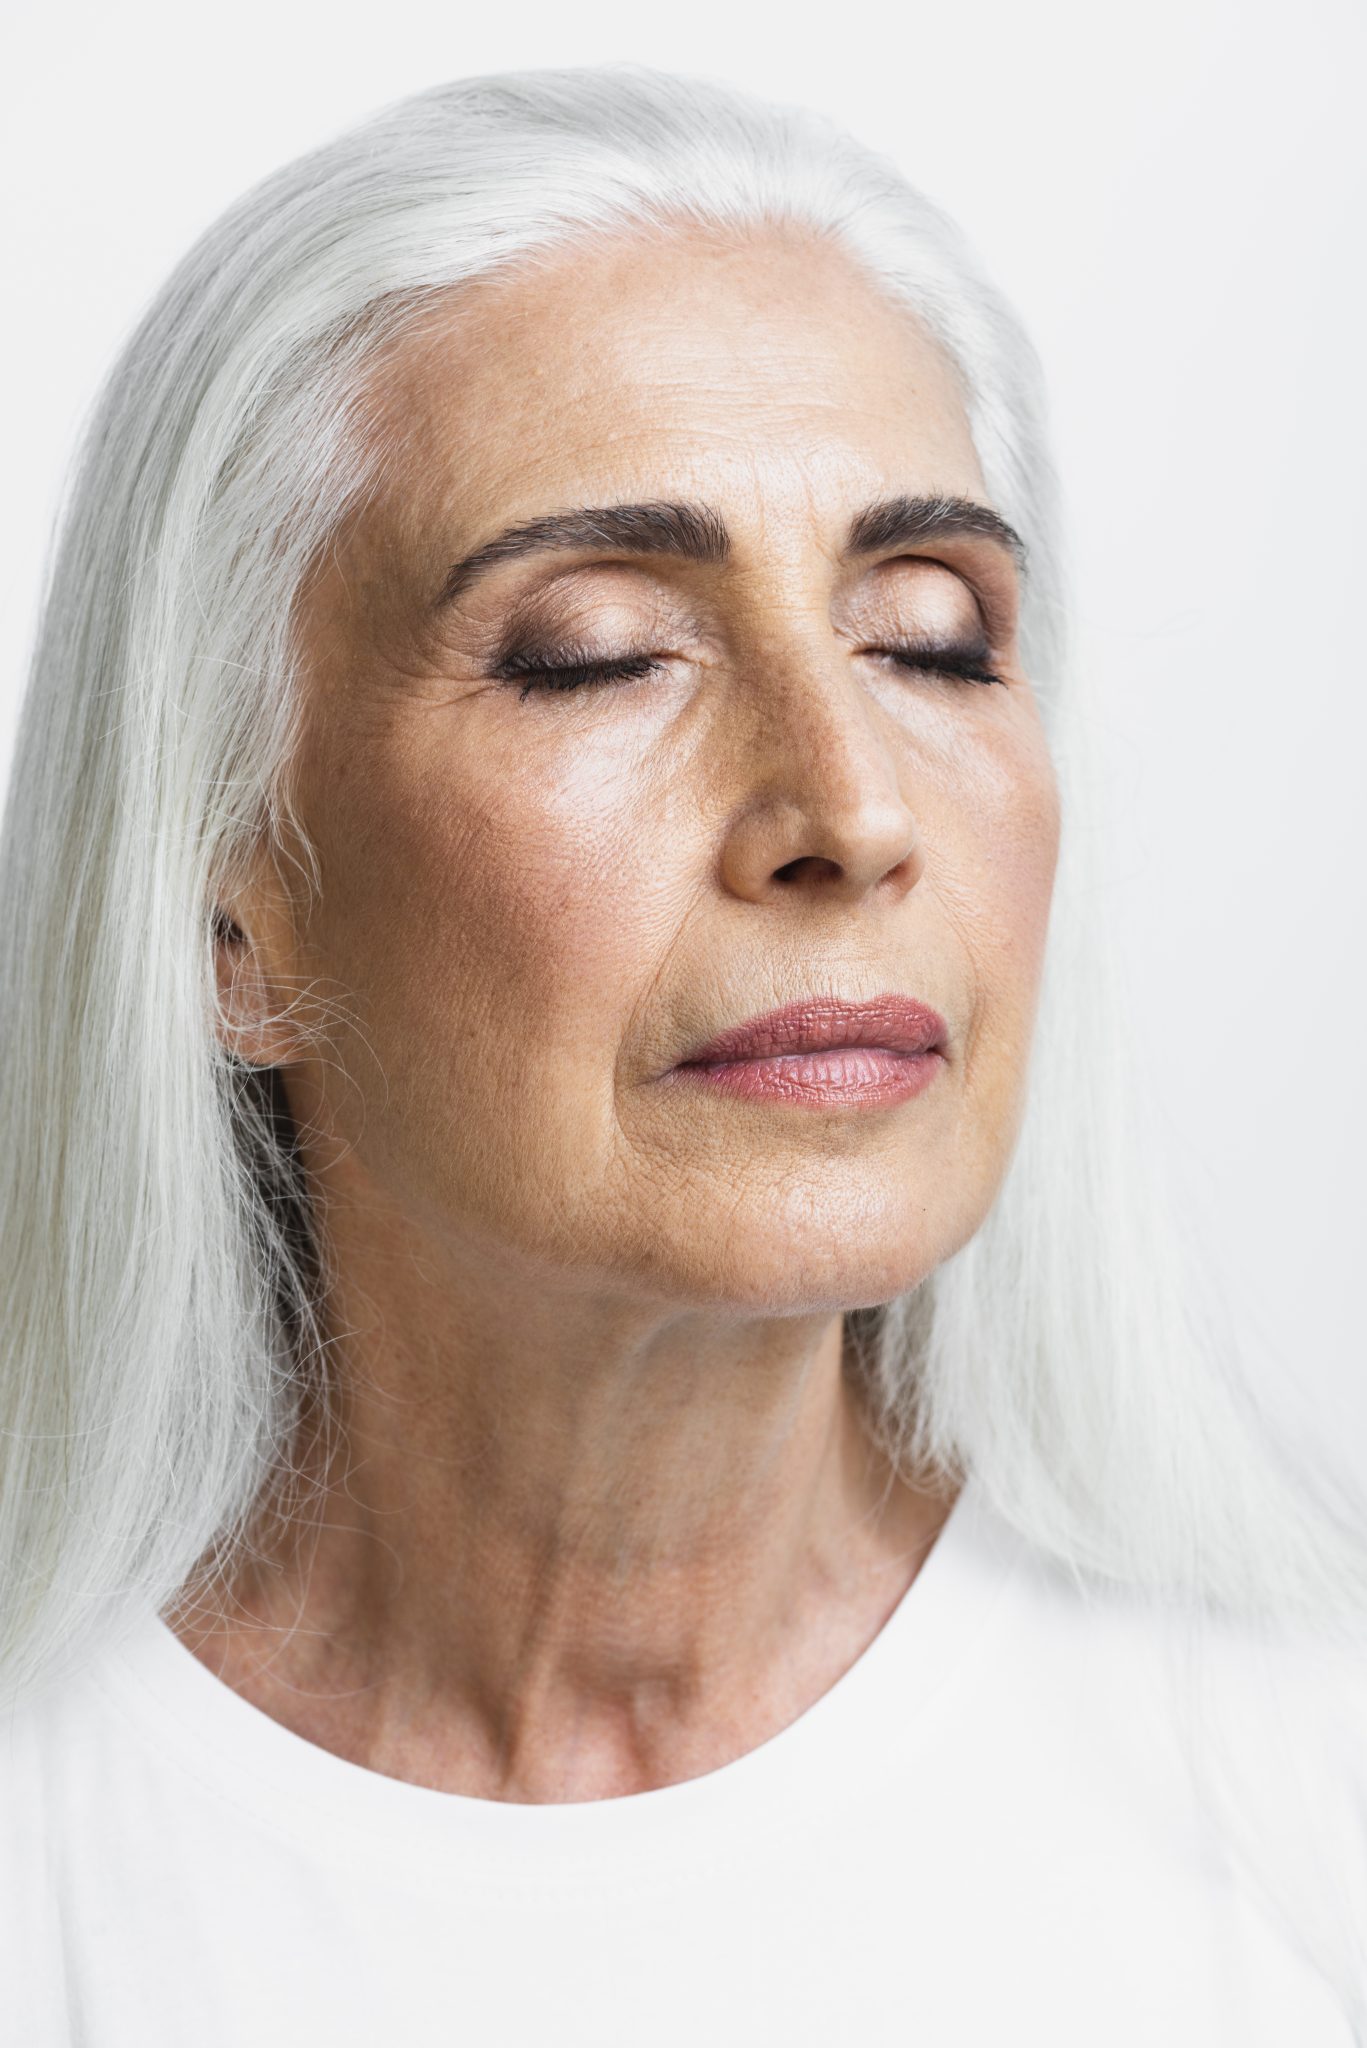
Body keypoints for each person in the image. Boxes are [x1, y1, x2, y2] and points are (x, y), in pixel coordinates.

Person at [1, 63, 1364, 2046]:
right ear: (236, 913)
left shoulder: (1311, 1786)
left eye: (929, 636)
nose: (850, 804)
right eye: (600, 651)